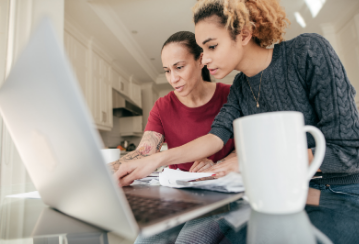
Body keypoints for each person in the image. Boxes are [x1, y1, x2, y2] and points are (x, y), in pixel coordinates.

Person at [115, 0, 359, 203]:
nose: (205, 60)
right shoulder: (241, 86)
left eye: (212, 46)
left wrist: (246, 161)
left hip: (337, 191)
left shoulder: (307, 51)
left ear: (243, 34)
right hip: (284, 191)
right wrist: (157, 159)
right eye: (202, 50)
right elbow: (215, 137)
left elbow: (347, 153)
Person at [110, 31, 238, 176]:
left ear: (200, 60)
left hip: (225, 183)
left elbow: (246, 146)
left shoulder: (231, 95)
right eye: (167, 71)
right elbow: (144, 153)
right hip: (178, 189)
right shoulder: (162, 107)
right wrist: (100, 171)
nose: (173, 79)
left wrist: (219, 164)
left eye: (179, 67)